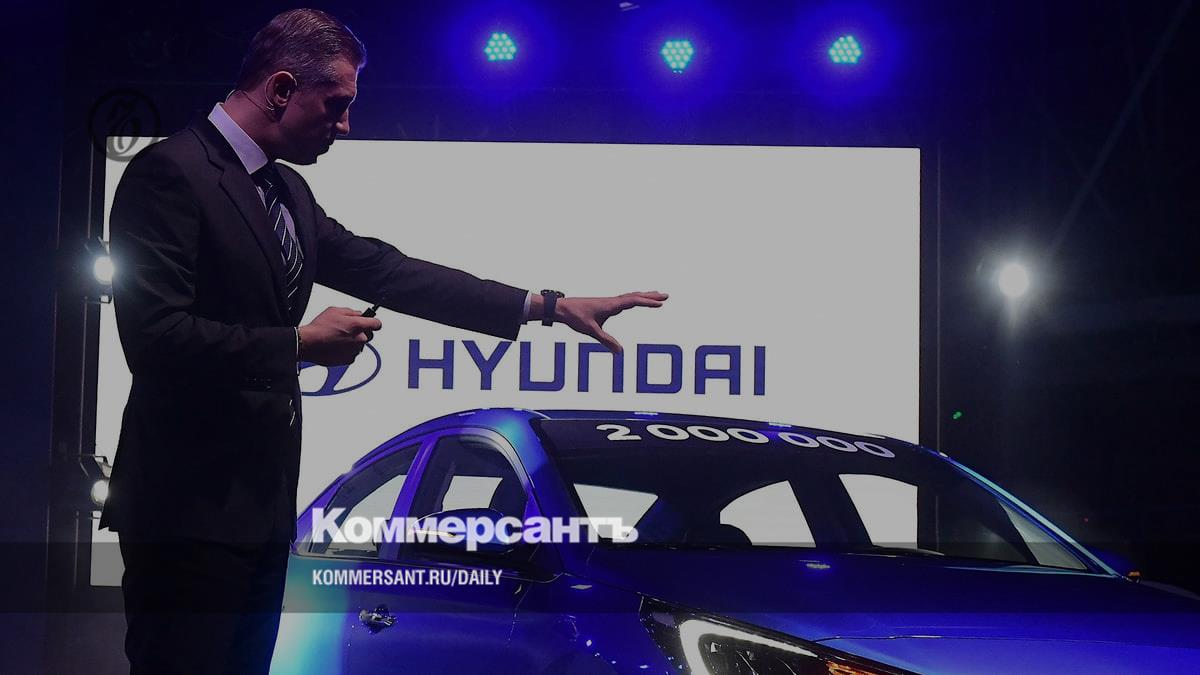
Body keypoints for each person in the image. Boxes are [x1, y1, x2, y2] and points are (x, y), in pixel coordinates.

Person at [98, 8, 668, 674]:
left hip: (260, 510)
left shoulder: (286, 191)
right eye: (335, 104)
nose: (344, 124)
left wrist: (547, 305)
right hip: (184, 510)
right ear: (281, 88)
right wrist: (298, 345)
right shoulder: (171, 173)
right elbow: (155, 337)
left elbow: (389, 272)